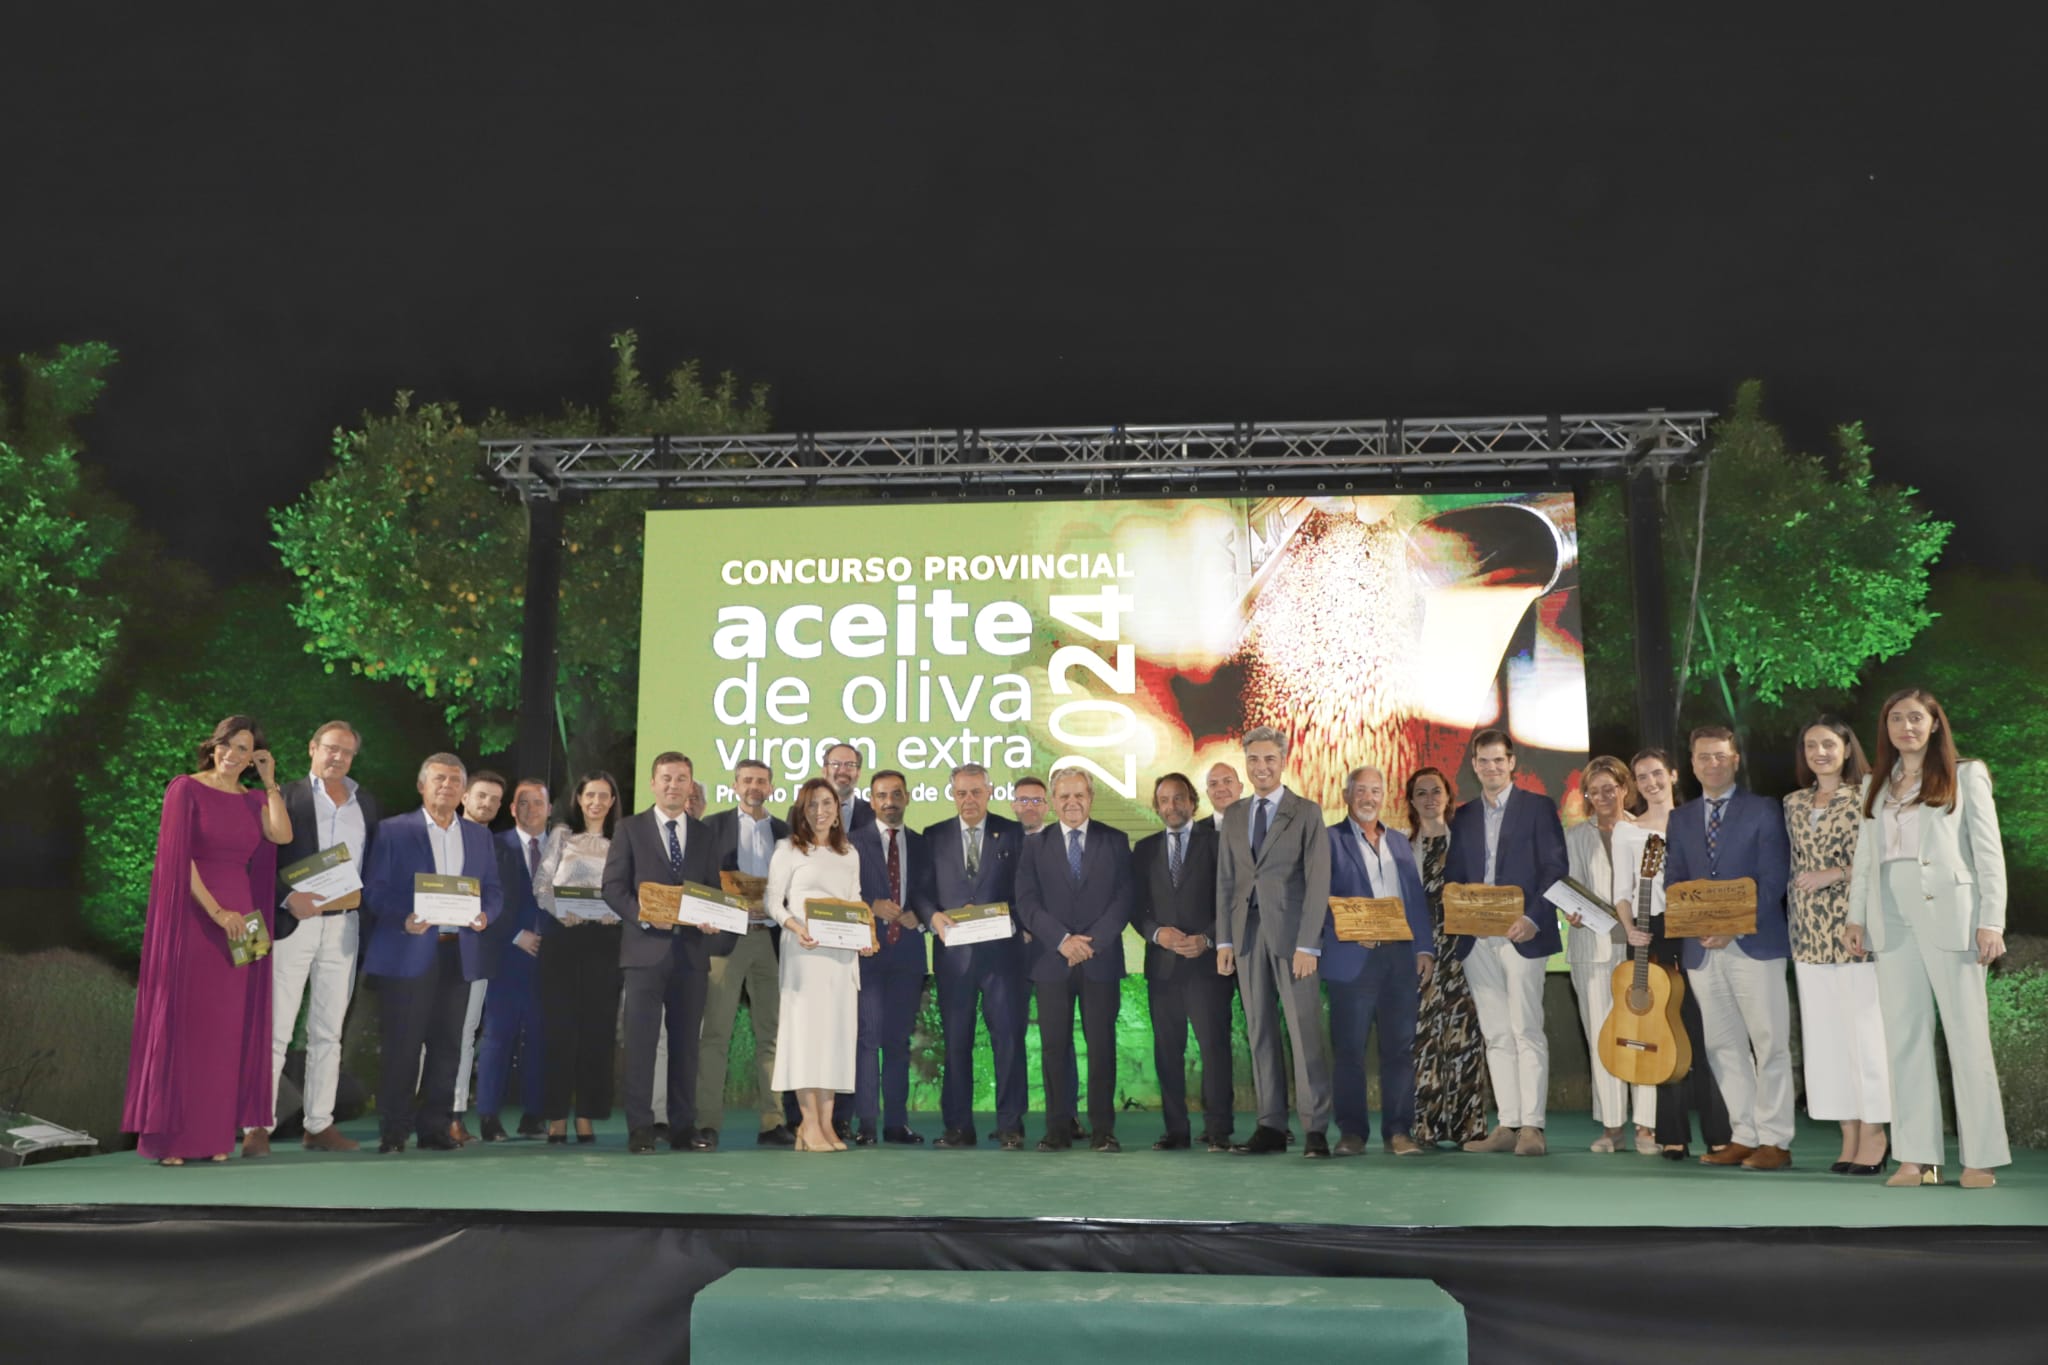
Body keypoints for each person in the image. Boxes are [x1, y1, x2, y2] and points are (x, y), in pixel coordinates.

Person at [1844, 689, 2011, 1189]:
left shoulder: (1966, 774)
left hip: (1952, 917)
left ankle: (1979, 1158)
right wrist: (1857, 919)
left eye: (1916, 718)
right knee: (1905, 1039)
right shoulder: (1876, 782)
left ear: (1936, 724)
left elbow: (1988, 853)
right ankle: (1916, 1157)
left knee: (1967, 1037)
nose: (1905, 727)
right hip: (1891, 920)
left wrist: (1992, 921)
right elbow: (1865, 860)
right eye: (1896, 718)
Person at [124, 716, 291, 1164]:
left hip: (245, 921)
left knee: (229, 1030)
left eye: (244, 749)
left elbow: (282, 835)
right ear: (213, 746)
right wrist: (218, 913)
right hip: (198, 917)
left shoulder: (254, 797)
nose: (232, 755)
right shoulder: (185, 788)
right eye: (227, 746)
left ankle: (216, 1138)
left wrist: (271, 781)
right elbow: (179, 860)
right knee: (188, 1027)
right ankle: (171, 1141)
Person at [1662, 725, 1794, 1171]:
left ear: (1735, 759)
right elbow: (1674, 880)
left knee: (1769, 1040)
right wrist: (1699, 926)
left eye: (1720, 755)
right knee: (1722, 1045)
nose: (1712, 763)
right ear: (1692, 764)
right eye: (1703, 757)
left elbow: (1774, 878)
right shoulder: (1680, 818)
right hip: (1701, 949)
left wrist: (1732, 927)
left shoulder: (1764, 810)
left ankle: (1775, 1140)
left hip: (1755, 942)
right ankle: (1744, 1135)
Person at [361, 753, 503, 1154]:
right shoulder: (393, 831)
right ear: (422, 786)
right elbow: (374, 889)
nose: (447, 786)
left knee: (448, 1045)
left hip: (458, 952)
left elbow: (492, 889)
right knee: (403, 1045)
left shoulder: (478, 837)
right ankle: (394, 1129)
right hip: (408, 951)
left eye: (455, 781)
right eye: (439, 779)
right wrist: (402, 917)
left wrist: (484, 914)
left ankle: (435, 1127)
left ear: (463, 792)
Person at [1447, 729, 1568, 1158]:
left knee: (1525, 1029)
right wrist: (1462, 915)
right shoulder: (1462, 816)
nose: (1492, 768)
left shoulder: (1538, 808)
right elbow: (1455, 878)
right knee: (1496, 1033)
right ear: (1474, 765)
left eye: (1499, 760)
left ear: (1512, 762)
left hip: (1523, 935)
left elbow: (1555, 868)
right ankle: (1508, 1124)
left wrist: (1533, 918)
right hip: (1477, 939)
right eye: (1483, 761)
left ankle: (1532, 1127)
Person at [1215, 725, 1333, 1157]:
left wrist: (1309, 944)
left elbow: (1318, 882)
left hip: (1292, 937)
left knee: (1304, 1032)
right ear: (1245, 764)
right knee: (1259, 1030)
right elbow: (1225, 881)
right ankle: (1270, 1126)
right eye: (1253, 760)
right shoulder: (1234, 815)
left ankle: (1315, 1128)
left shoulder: (1306, 812)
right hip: (1246, 936)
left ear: (1283, 762)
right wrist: (1224, 941)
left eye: (1268, 759)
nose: (1260, 767)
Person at [263, 720, 380, 1154]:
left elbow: (369, 867)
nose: (338, 758)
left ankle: (319, 1124)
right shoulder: (286, 796)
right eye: (331, 749)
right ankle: (259, 1124)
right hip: (295, 923)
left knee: (328, 1032)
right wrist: (286, 897)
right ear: (312, 748)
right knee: (276, 1030)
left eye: (346, 752)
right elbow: (259, 857)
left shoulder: (365, 803)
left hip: (344, 926)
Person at [602, 752, 723, 1154]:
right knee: (640, 1044)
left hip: (691, 954)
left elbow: (711, 891)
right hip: (643, 953)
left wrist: (711, 916)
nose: (674, 785)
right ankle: (640, 1128)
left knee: (687, 1045)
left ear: (692, 786)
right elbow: (613, 888)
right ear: (653, 783)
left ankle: (684, 1128)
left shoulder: (705, 835)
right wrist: (645, 918)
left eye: (682, 778)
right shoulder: (629, 828)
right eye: (667, 778)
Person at [1785, 717, 1889, 1175]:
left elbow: (1881, 860)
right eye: (1811, 745)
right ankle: (1847, 1131)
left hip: (1855, 929)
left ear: (1847, 748)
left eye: (1829, 744)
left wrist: (1838, 874)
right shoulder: (1792, 802)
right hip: (1806, 935)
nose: (1819, 752)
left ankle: (1875, 1132)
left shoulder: (1870, 794)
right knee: (1825, 1041)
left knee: (1865, 1037)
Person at [1617, 747, 1731, 1160]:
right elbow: (1622, 891)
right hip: (1650, 935)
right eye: (1642, 776)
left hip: (1695, 931)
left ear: (1674, 775)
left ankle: (1721, 1130)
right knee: (1663, 1033)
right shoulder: (1626, 831)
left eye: (1656, 773)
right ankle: (1672, 1132)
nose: (1650, 782)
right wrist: (1631, 929)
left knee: (1705, 1031)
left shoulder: (1698, 819)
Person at [1015, 768, 1134, 1152]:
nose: (1072, 803)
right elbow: (1027, 903)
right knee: (1054, 1048)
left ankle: (1104, 1130)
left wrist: (1091, 942)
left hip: (1100, 962)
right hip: (1052, 962)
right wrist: (1063, 940)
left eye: (1079, 795)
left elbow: (1124, 899)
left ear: (1091, 797)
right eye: (1064, 796)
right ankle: (1057, 1129)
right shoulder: (1035, 845)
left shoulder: (1115, 841)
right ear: (1052, 800)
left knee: (1101, 1046)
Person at [1322, 765, 1435, 1157]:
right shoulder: (1327, 840)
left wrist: (1424, 949)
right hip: (1352, 959)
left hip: (1400, 961)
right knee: (1349, 1051)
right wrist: (1350, 929)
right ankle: (1352, 1134)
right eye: (1361, 791)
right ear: (1346, 795)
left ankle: (1399, 1132)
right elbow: (1317, 901)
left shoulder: (1401, 842)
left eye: (1375, 791)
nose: (1368, 798)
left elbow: (1414, 900)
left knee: (1399, 1050)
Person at [915, 763, 1028, 1149]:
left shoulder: (1012, 833)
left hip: (1003, 957)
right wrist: (933, 916)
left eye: (976, 792)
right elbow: (921, 891)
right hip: (954, 959)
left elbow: (1025, 889)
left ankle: (1011, 1125)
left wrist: (1012, 919)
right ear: (952, 795)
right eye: (961, 793)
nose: (969, 800)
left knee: (1009, 1041)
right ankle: (958, 1127)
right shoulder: (934, 837)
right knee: (957, 1043)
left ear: (989, 793)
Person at [764, 777, 873, 1151]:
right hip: (804, 956)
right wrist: (797, 926)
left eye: (827, 803)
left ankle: (826, 1125)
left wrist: (866, 938)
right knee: (807, 1040)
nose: (820, 811)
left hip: (841, 960)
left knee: (834, 1041)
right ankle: (808, 1124)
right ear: (801, 810)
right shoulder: (788, 849)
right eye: (812, 805)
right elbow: (773, 903)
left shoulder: (850, 854)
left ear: (838, 809)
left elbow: (855, 901)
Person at [1132, 773, 1234, 1152]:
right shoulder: (1143, 849)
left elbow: (1232, 901)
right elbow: (1135, 907)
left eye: (1178, 799)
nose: (1171, 806)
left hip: (1207, 967)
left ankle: (1218, 1130)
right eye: (1163, 800)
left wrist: (1206, 938)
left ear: (1193, 802)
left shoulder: (1220, 844)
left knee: (1214, 1050)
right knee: (1167, 1052)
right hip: (1163, 968)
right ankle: (1176, 1130)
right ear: (1156, 806)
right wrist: (1157, 934)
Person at [696, 760, 793, 1148]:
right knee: (715, 1034)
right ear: (735, 785)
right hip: (725, 941)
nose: (755, 786)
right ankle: (707, 1122)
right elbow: (701, 882)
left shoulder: (786, 833)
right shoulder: (711, 828)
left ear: (771, 787)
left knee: (773, 1035)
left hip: (770, 941)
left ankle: (774, 1122)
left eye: (762, 781)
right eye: (747, 780)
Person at [1563, 756, 1653, 1153]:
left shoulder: (1645, 831)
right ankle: (1613, 1127)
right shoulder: (1574, 837)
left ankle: (1646, 1127)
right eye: (1593, 790)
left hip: (1641, 950)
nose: (1601, 796)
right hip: (1591, 950)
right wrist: (1570, 911)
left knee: (1645, 1036)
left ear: (1624, 789)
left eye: (1608, 788)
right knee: (1602, 1036)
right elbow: (1568, 887)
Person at [533, 771, 623, 1144]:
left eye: (604, 795)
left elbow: (630, 889)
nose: (597, 802)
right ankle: (555, 1115)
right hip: (563, 940)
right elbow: (542, 883)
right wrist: (559, 910)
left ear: (613, 801)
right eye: (590, 795)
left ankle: (586, 1115)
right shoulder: (561, 836)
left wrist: (614, 913)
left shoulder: (624, 839)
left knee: (597, 1034)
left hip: (605, 943)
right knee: (558, 1031)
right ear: (579, 799)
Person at [849, 769, 932, 1145]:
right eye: (882, 795)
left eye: (896, 794)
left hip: (908, 955)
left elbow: (931, 892)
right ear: (871, 800)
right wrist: (869, 906)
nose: (889, 801)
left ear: (907, 798)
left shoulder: (922, 843)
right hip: (867, 953)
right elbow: (838, 896)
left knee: (898, 1041)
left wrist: (921, 912)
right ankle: (866, 1124)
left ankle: (896, 1124)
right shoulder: (850, 843)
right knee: (867, 1038)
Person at [1407, 766, 1488, 1149]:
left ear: (1448, 796)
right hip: (1420, 956)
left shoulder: (1468, 843)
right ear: (1411, 801)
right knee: (1424, 1039)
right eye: (1420, 792)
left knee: (1465, 1038)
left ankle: (1467, 1126)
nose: (1429, 798)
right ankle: (1425, 1126)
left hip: (1465, 952)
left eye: (1435, 791)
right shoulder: (1402, 848)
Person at [475, 778, 549, 1142]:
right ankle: (488, 1115)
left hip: (551, 960)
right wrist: (515, 935)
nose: (531, 809)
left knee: (541, 1037)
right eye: (524, 803)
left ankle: (535, 1114)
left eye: (538, 803)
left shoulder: (566, 850)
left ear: (549, 809)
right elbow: (484, 896)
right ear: (512, 809)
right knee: (497, 1036)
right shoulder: (493, 845)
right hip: (505, 954)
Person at [448, 768, 507, 1143]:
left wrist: (488, 913)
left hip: (474, 949)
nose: (487, 804)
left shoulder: (490, 843)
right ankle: (420, 1111)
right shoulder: (433, 832)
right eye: (481, 795)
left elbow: (496, 892)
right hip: (428, 947)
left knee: (466, 1033)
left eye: (495, 800)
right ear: (464, 796)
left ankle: (454, 1114)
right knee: (427, 1034)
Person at [823, 742, 877, 832]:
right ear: (824, 771)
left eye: (850, 765)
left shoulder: (874, 814)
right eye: (835, 764)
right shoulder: (801, 813)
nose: (843, 771)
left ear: (858, 772)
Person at [1205, 762, 1243, 832]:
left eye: (1228, 781)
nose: (1221, 789)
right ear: (1208, 793)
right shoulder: (1193, 832)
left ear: (1240, 787)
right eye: (1213, 784)